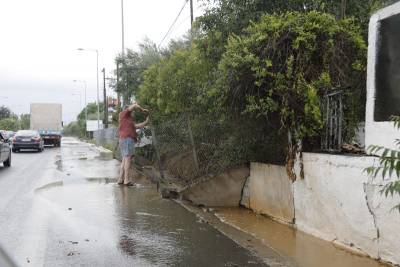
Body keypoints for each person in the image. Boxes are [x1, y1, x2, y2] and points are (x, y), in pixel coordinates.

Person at [117, 101, 149, 186]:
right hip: (127, 139)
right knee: (127, 159)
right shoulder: (124, 113)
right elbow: (134, 106)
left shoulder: (127, 119)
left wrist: (146, 122)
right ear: (128, 109)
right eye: (132, 111)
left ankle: (120, 179)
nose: (133, 112)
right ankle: (126, 180)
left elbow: (136, 126)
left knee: (124, 159)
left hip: (124, 139)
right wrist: (142, 110)